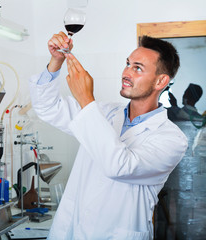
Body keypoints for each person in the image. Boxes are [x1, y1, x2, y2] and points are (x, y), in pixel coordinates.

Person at [29, 32, 188, 239]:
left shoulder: (171, 139)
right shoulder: (103, 112)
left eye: (137, 68)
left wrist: (86, 100)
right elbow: (47, 107)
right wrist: (56, 61)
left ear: (160, 81)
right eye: (128, 64)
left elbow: (119, 166)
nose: (126, 72)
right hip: (71, 230)